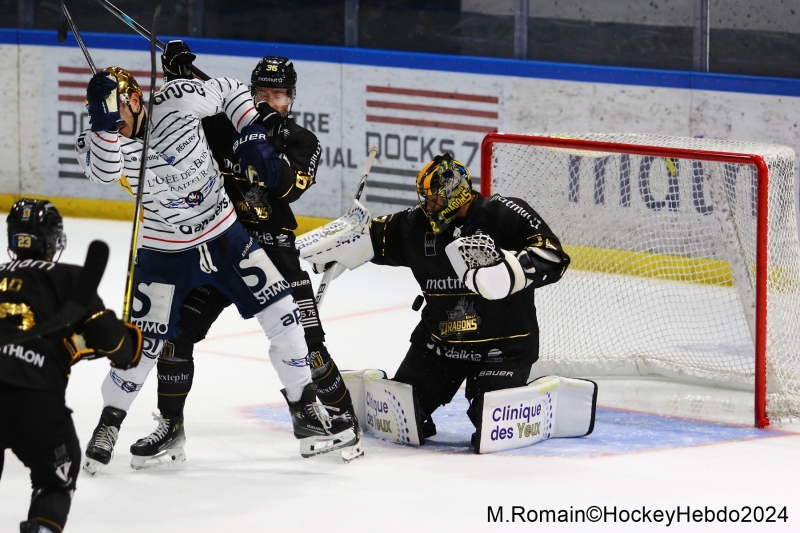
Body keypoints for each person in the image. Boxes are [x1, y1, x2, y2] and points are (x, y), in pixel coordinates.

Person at [73, 63, 336, 472]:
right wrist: (105, 125)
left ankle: (305, 409)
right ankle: (111, 422)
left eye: (117, 112)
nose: (113, 122)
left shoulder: (178, 99)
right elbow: (104, 174)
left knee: (284, 312)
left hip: (225, 236)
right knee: (145, 344)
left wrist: (250, 129)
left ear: (136, 100)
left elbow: (230, 88)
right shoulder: (98, 138)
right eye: (100, 113)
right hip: (165, 253)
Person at [132, 44, 362, 463]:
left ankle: (342, 422)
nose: (270, 101)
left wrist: (263, 131)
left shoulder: (303, 140)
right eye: (262, 94)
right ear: (251, 93)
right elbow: (179, 121)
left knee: (307, 343)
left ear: (291, 99)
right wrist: (179, 79)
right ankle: (171, 427)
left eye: (279, 95)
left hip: (273, 247)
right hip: (222, 245)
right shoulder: (220, 124)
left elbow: (284, 187)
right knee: (176, 335)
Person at [302, 154, 571, 443]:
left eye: (435, 200)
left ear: (457, 193)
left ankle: (542, 402)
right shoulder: (415, 224)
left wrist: (511, 273)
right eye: (426, 200)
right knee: (400, 419)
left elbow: (553, 256)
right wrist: (342, 243)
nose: (428, 207)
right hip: (440, 346)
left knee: (493, 429)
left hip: (504, 347)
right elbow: (370, 236)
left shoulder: (503, 213)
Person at [0, 199, 142, 533]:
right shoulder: (69, 278)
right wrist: (128, 342)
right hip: (34, 398)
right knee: (55, 482)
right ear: (53, 240)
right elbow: (114, 344)